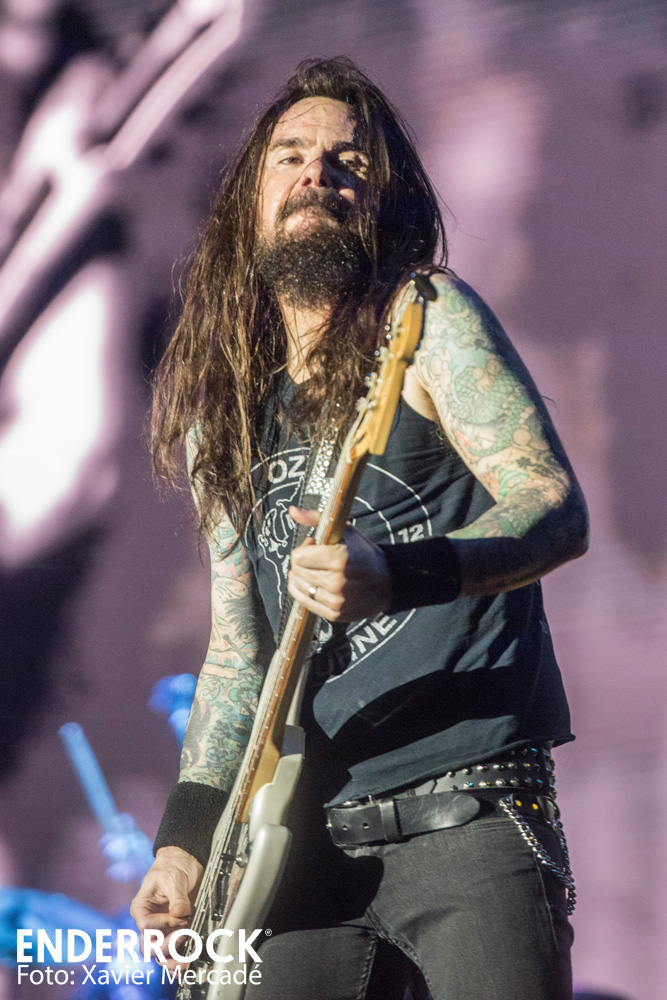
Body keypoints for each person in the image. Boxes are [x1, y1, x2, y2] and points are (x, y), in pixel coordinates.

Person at [130, 57, 589, 1000]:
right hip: (296, 847)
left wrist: (399, 574)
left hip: (467, 812)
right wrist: (182, 843)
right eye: (290, 154)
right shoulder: (225, 415)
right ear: (250, 201)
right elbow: (236, 655)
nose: (318, 172)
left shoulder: (425, 323)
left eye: (350, 161)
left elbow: (550, 503)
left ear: (383, 199)